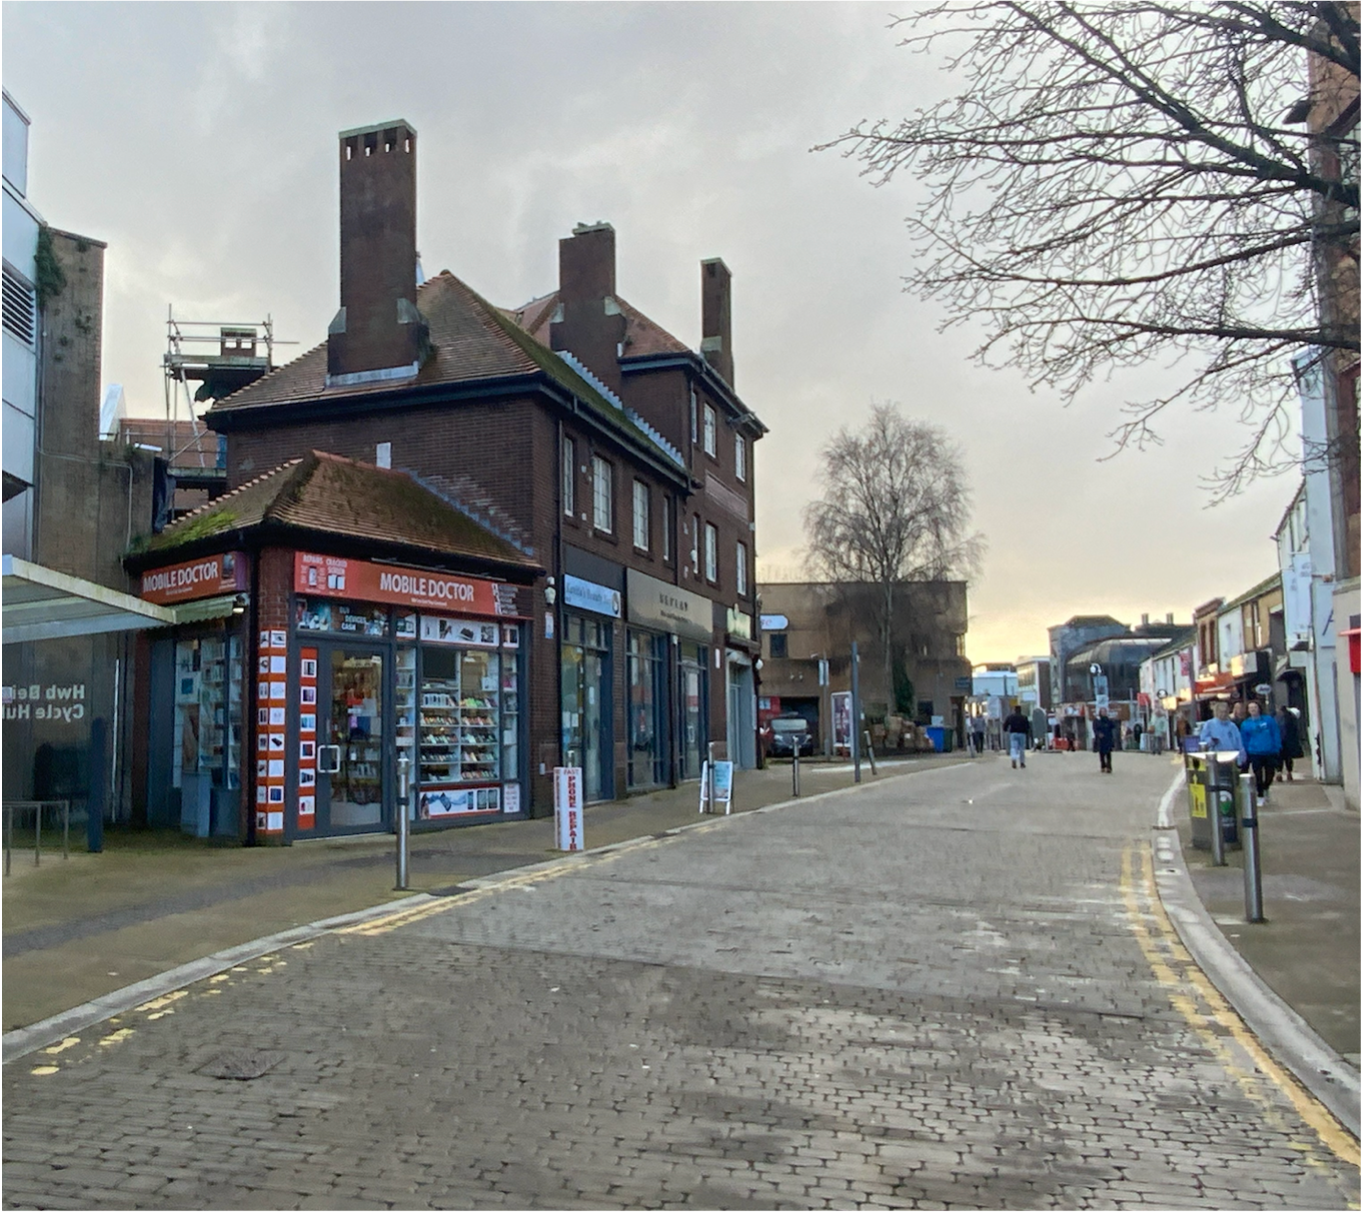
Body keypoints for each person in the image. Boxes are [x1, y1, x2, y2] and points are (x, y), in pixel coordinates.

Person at [1240, 700, 1282, 807]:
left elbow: (1275, 732)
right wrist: (1246, 750)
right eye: (1251, 708)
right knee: (1258, 775)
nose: (1253, 710)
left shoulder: (1268, 720)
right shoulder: (1246, 724)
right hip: (1255, 752)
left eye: (1255, 707)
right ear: (1248, 710)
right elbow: (1244, 739)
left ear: (1259, 708)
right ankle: (1260, 795)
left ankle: (1265, 787)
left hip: (1270, 751)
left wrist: (1277, 746)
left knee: (1270, 774)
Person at [1197, 700, 1247, 766]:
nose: (1223, 714)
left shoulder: (1232, 726)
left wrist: (1241, 757)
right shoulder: (1209, 724)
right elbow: (1203, 739)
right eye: (1221, 712)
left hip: (1231, 757)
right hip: (1216, 757)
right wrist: (1211, 741)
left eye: (1225, 712)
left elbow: (1239, 742)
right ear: (1216, 712)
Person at [1277, 706, 1303, 782]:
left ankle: (1279, 772)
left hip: (1280, 740)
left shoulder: (1277, 718)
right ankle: (1289, 772)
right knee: (1288, 758)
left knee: (1279, 757)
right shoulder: (1291, 718)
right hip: (1288, 741)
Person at [1092, 709, 1118, 773]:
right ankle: (1103, 766)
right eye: (1102, 712)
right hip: (1101, 740)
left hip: (1108, 738)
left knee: (1108, 753)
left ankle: (1109, 767)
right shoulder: (1097, 720)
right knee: (1102, 754)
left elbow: (1113, 726)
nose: (1104, 713)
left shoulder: (1108, 720)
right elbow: (1095, 729)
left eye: (1105, 712)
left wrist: (1114, 720)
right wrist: (1098, 734)